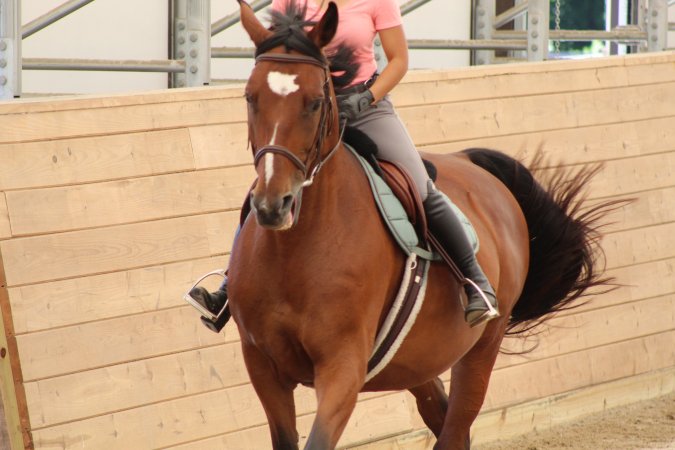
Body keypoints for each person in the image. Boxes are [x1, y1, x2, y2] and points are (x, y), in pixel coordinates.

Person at [186, 0, 498, 330]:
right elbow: (281, 55)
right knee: (265, 188)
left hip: (364, 107)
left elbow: (399, 61)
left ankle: (474, 281)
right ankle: (227, 291)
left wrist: (367, 96)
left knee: (419, 185)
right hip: (305, 109)